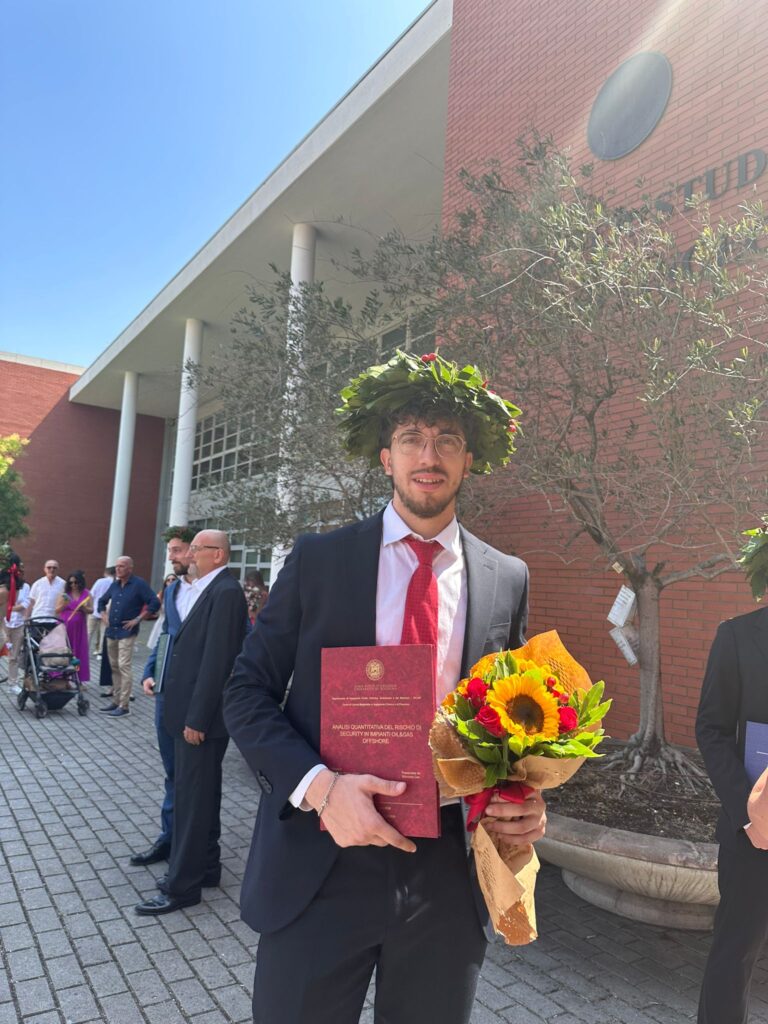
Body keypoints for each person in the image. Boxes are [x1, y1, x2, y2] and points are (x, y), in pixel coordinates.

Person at [223, 351, 546, 1024]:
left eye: (447, 441)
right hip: (321, 859)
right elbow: (246, 692)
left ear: (468, 460)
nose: (429, 455)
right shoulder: (319, 560)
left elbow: (510, 724)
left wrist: (519, 798)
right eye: (412, 440)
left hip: (447, 876)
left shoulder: (507, 576)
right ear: (386, 458)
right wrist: (320, 787)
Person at [134, 529, 247, 915]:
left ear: (217, 555)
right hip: (185, 713)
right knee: (201, 795)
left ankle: (181, 886)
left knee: (191, 801)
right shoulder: (208, 589)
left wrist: (197, 718)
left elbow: (217, 662)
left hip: (199, 721)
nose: (191, 554)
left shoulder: (226, 593)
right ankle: (208, 869)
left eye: (197, 549)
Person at [696, 597, 768, 1024]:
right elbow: (711, 727)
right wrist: (747, 812)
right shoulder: (737, 636)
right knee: (734, 958)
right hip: (754, 834)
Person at [130, 526, 196, 869]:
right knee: (172, 773)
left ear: (196, 551)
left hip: (197, 704)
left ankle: (190, 848)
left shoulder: (216, 592)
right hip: (164, 697)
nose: (171, 556)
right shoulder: (171, 591)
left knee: (193, 778)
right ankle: (168, 840)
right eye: (170, 550)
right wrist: (149, 671)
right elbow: (165, 636)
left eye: (177, 549)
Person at [97, 556, 159, 718]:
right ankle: (116, 701)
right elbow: (101, 601)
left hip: (127, 632)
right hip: (112, 631)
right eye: (117, 566)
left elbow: (154, 602)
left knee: (124, 665)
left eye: (122, 566)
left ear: (130, 568)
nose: (118, 569)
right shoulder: (114, 585)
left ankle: (124, 705)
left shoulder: (139, 584)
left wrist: (138, 619)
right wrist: (103, 615)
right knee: (114, 666)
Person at [55, 570, 92, 683]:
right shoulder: (65, 594)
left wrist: (85, 609)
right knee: (64, 652)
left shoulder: (86, 593)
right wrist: (63, 605)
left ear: (81, 582)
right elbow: (56, 610)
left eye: (76, 582)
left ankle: (78, 678)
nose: (73, 585)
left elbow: (92, 610)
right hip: (65, 626)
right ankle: (63, 678)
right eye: (71, 583)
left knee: (78, 653)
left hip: (79, 628)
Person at [2, 556, 30, 693]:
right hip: (3, 624)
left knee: (14, 655)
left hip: (18, 624)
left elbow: (25, 604)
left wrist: (9, 607)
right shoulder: (4, 586)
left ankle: (13, 683)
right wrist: (11, 606)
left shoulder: (25, 587)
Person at [88, 567, 115, 658]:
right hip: (107, 612)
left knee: (89, 632)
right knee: (104, 632)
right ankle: (100, 652)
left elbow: (91, 594)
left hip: (94, 610)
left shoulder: (99, 581)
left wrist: (90, 606)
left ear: (105, 573)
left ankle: (84, 650)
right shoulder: (115, 583)